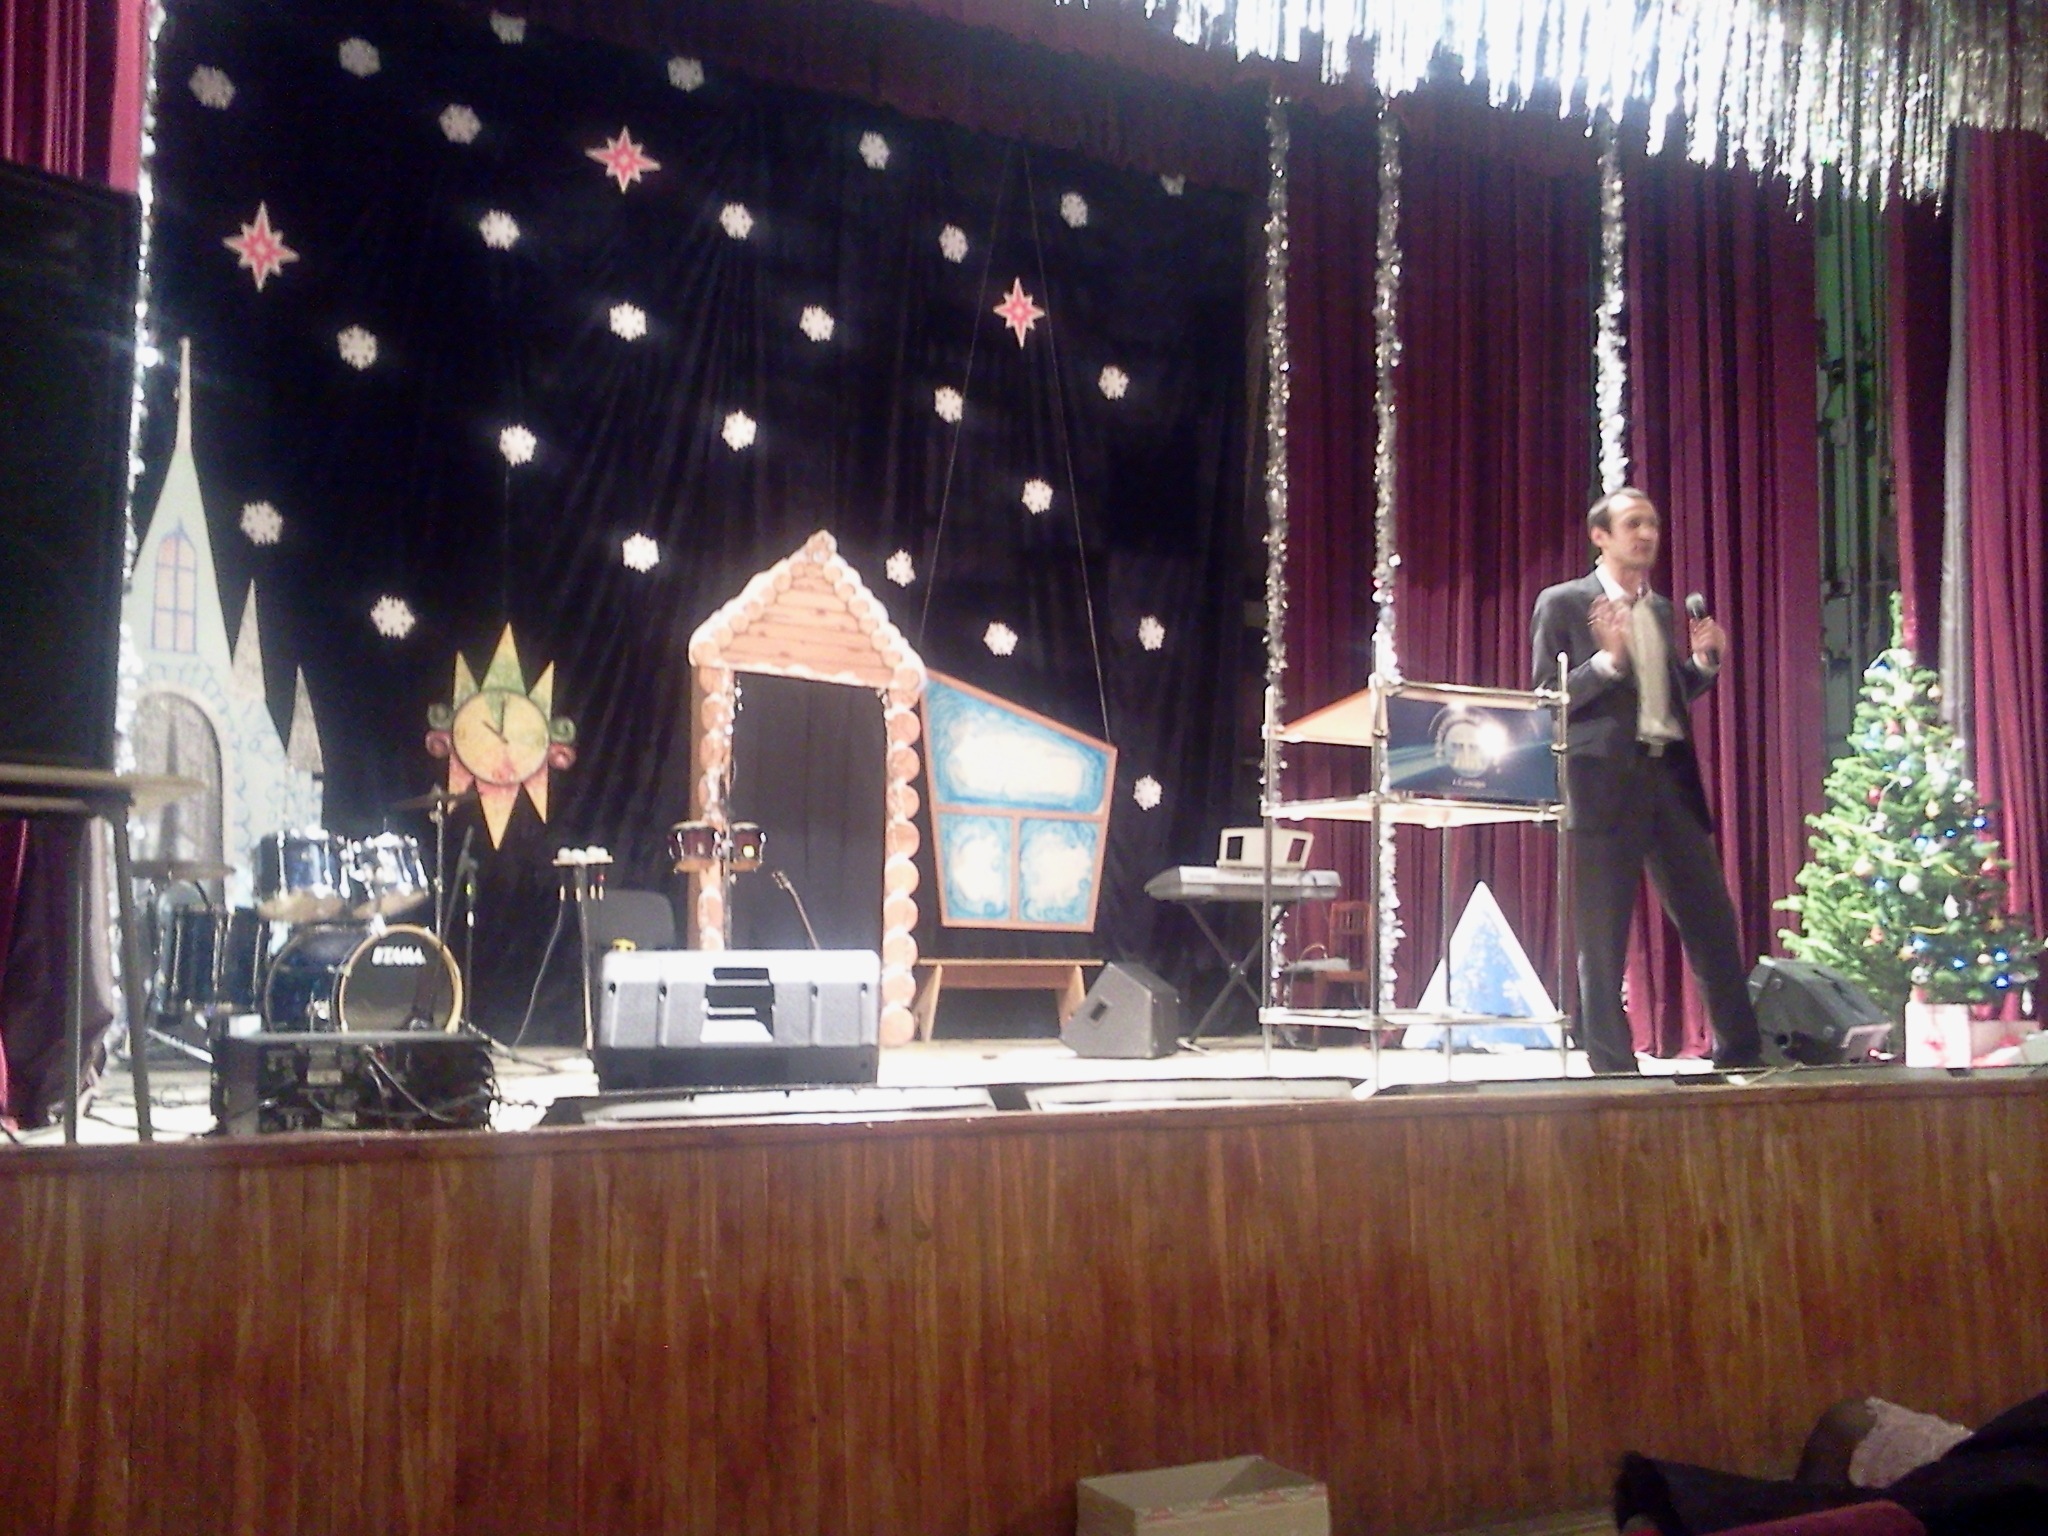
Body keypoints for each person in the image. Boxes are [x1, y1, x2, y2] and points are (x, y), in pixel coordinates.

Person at [1529, 487, 1765, 1073]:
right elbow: (1545, 702)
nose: (1647, 534)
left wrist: (1703, 664)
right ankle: (1613, 1068)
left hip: (1670, 781)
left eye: (1652, 524)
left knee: (1711, 921)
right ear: (1600, 536)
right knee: (1603, 939)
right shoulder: (1563, 603)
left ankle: (1741, 1054)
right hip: (1601, 788)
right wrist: (1607, 661)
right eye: (1633, 524)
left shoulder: (1658, 609)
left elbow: (1665, 696)